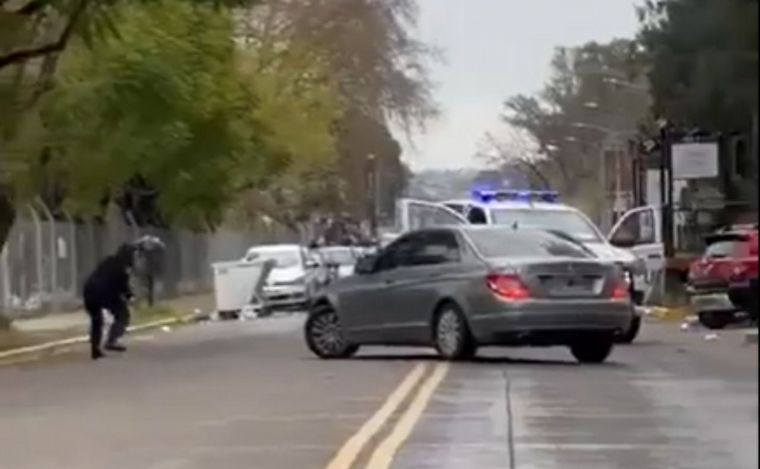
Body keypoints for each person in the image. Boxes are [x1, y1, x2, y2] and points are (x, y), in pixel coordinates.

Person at [82, 243, 136, 360]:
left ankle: (95, 350)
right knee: (123, 314)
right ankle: (112, 340)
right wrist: (130, 297)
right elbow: (123, 285)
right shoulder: (123, 267)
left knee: (97, 320)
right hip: (104, 292)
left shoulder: (108, 260)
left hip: (89, 289)